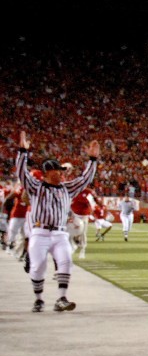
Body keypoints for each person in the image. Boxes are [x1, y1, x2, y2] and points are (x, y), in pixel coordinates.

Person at [15, 130, 100, 312]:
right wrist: (22, 151)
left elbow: (85, 179)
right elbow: (21, 173)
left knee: (66, 262)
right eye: (57, 171)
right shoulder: (36, 187)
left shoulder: (67, 188)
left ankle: (61, 298)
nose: (61, 174)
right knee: (38, 267)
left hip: (60, 232)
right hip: (41, 231)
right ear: (47, 172)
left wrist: (93, 160)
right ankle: (38, 299)